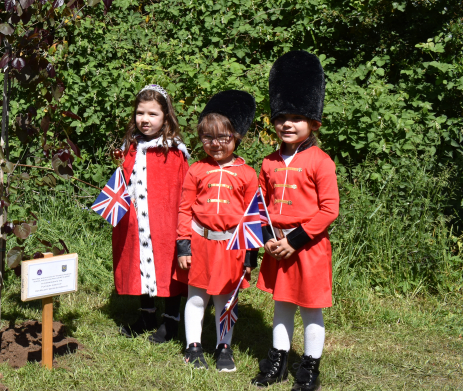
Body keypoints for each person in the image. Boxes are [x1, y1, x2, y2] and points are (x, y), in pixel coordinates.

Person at [251, 51, 339, 391]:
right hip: (277, 247)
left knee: (311, 310)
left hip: (308, 248)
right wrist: (267, 240)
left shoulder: (321, 161)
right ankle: (278, 362)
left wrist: (295, 240)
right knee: (282, 305)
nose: (287, 123)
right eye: (281, 117)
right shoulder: (269, 162)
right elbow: (258, 204)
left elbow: (329, 208)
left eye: (297, 117)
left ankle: (310, 369)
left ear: (314, 122)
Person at [176, 90, 259, 372]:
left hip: (232, 248)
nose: (215, 144)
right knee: (197, 297)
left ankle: (224, 346)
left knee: (225, 300)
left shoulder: (248, 174)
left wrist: (250, 258)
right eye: (207, 138)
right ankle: (193, 347)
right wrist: (183, 246)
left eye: (223, 137)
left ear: (236, 136)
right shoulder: (196, 169)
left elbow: (252, 218)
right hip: (200, 244)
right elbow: (184, 209)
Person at [114, 84, 190, 343]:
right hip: (137, 219)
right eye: (140, 113)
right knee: (139, 260)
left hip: (166, 222)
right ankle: (146, 314)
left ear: (166, 117)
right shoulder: (132, 146)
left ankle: (171, 320)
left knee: (167, 264)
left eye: (152, 114)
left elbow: (182, 190)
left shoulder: (173, 150)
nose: (144, 120)